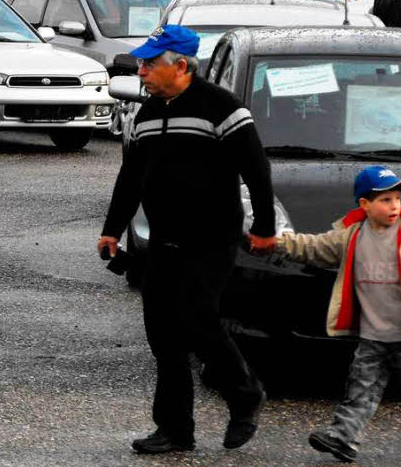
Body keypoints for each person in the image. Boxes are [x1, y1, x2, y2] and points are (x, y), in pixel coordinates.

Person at [98, 25, 276, 456]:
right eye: (140, 64)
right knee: (163, 335)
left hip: (210, 240)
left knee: (198, 320)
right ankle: (175, 429)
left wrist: (265, 227)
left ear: (180, 65)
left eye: (149, 64)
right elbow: (131, 179)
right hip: (163, 242)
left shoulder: (222, 108)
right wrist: (112, 228)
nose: (141, 72)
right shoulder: (147, 114)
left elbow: (256, 169)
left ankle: (245, 393)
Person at [256, 166, 401, 463]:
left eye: (397, 198)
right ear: (364, 204)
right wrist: (278, 243)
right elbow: (313, 246)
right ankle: (343, 438)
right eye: (386, 200)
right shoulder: (351, 236)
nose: (395, 206)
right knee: (359, 389)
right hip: (372, 334)